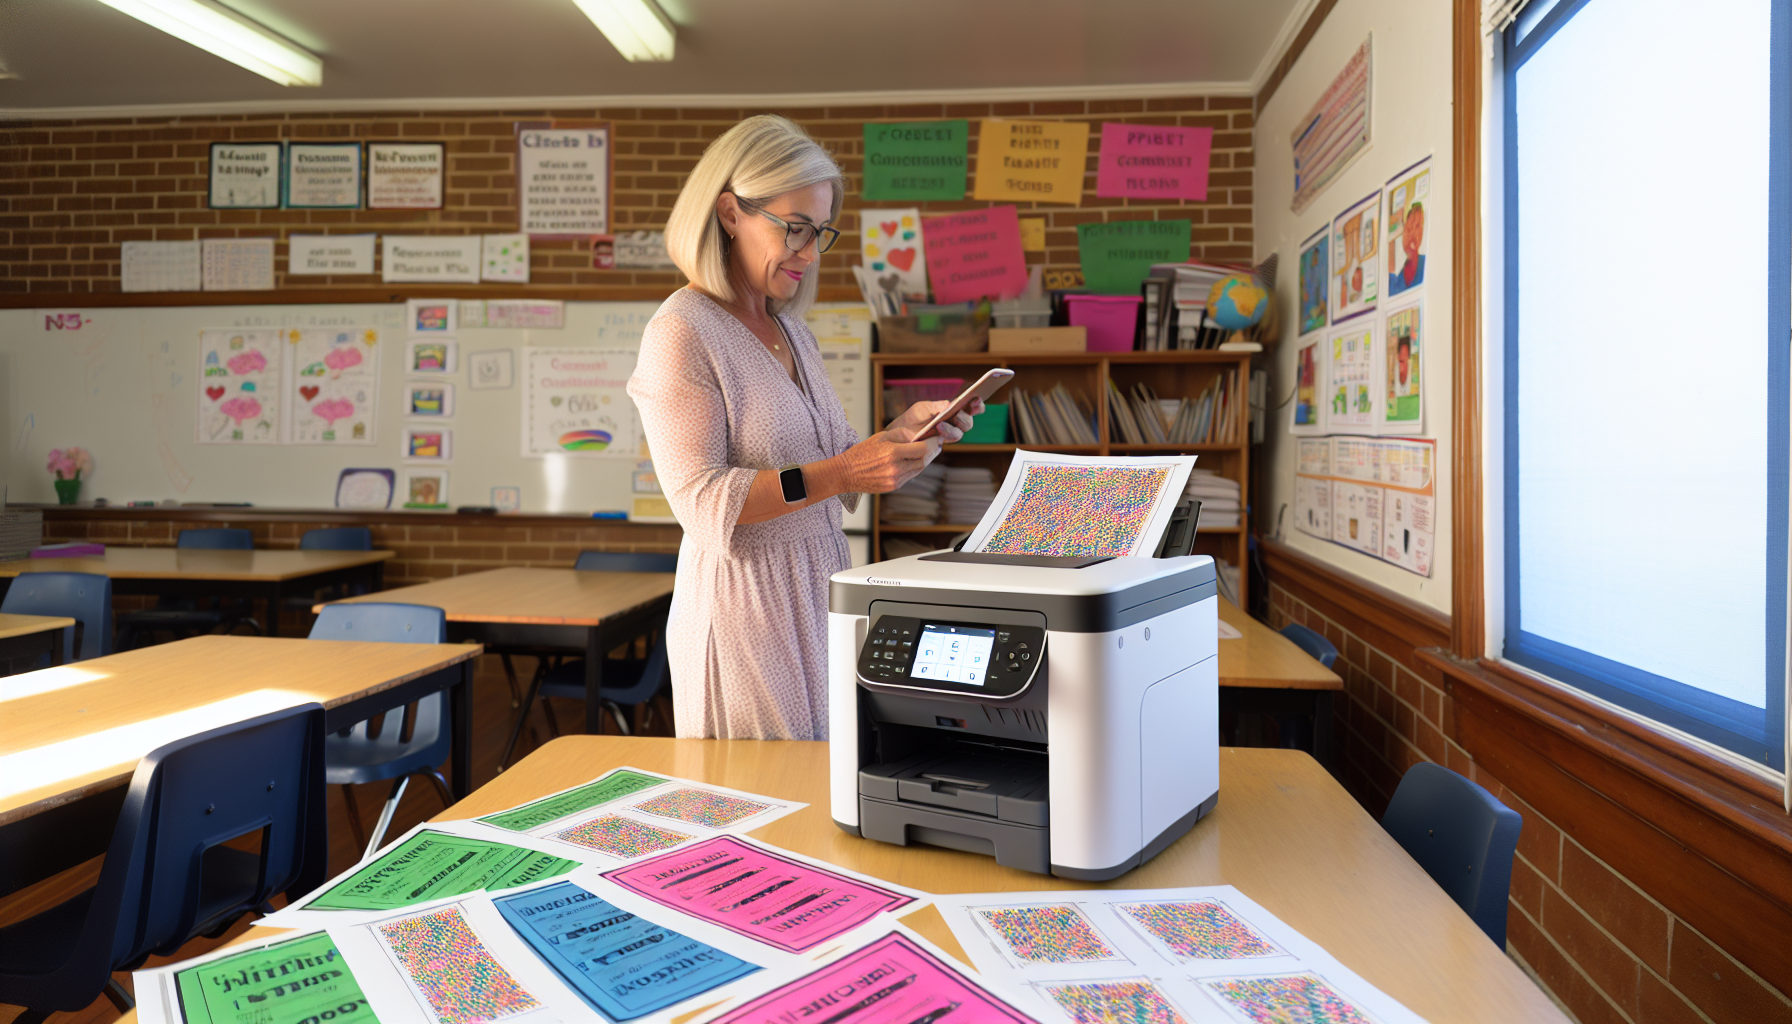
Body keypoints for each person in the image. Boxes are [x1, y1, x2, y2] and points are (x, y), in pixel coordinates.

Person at [628, 116, 980, 741]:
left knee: (817, 791)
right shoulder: (682, 332)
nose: (810, 253)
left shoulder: (791, 331)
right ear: (731, 213)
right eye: (794, 230)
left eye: (819, 234)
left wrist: (897, 439)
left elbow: (834, 461)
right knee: (763, 806)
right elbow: (702, 502)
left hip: (815, 594)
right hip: (744, 611)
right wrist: (846, 470)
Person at [1388, 202, 1425, 296]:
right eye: (1408, 229)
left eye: (1417, 227)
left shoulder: (1427, 264)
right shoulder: (1400, 276)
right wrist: (1390, 241)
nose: (1412, 235)